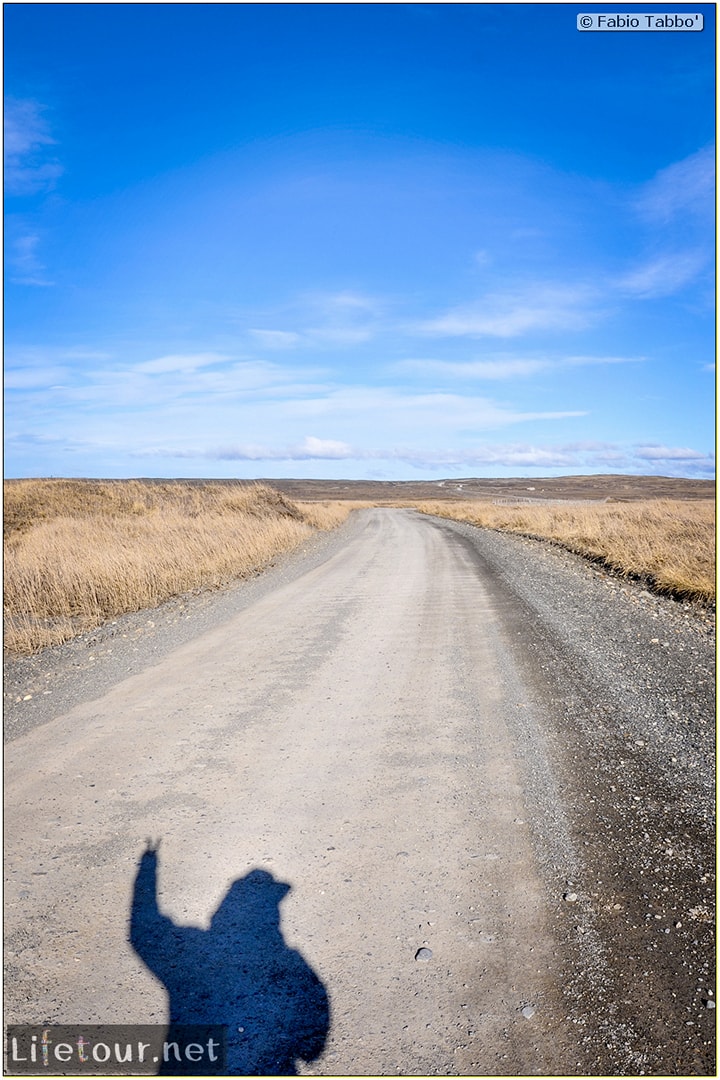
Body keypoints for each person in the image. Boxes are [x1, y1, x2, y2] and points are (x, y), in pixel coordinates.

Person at [130, 842, 330, 1075]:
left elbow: (141, 937)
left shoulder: (194, 951)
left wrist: (148, 866)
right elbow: (313, 1047)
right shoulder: (288, 960)